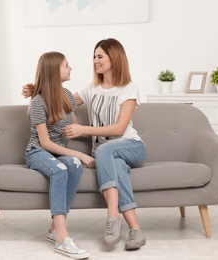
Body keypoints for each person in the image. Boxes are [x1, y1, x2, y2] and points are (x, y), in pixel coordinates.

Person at [22, 38, 146, 251]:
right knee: (114, 167)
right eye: (94, 56)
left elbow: (118, 129)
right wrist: (34, 91)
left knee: (103, 149)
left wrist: (84, 131)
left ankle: (112, 218)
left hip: (130, 145)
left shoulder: (129, 89)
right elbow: (55, 98)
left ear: (114, 58)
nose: (95, 61)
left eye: (100, 56)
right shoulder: (90, 89)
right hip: (106, 155)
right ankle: (135, 230)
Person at [25, 51, 94, 259]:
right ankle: (63, 239)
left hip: (58, 153)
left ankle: (55, 228)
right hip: (38, 152)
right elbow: (45, 143)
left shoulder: (67, 96)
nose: (70, 68)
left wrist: (91, 134)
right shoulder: (38, 102)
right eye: (66, 65)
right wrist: (80, 154)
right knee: (62, 167)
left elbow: (74, 127)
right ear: (55, 71)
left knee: (73, 164)